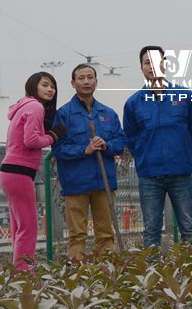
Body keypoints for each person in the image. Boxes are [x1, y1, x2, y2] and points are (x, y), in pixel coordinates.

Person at [123, 46, 192, 248]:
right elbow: (131, 137)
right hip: (149, 175)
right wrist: (144, 156)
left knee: (189, 227)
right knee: (151, 229)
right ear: (141, 68)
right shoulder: (133, 103)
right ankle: (153, 267)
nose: (152, 67)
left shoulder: (184, 96)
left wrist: (183, 153)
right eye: (147, 63)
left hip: (180, 172)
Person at [52, 64, 126, 261]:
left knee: (106, 233)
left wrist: (107, 145)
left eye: (90, 77)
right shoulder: (63, 115)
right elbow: (58, 148)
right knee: (77, 234)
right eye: (81, 78)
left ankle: (107, 269)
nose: (86, 81)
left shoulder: (108, 113)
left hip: (104, 183)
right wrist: (83, 150)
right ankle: (78, 271)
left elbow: (121, 142)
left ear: (96, 82)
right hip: (76, 184)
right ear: (73, 83)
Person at [0, 72, 67, 271]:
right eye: (45, 85)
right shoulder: (36, 107)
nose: (50, 90)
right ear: (33, 86)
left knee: (19, 226)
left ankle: (18, 270)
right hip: (19, 172)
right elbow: (31, 140)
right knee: (29, 227)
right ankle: (23, 272)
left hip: (9, 171)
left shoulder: (23, 106)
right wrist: (52, 136)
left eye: (52, 86)